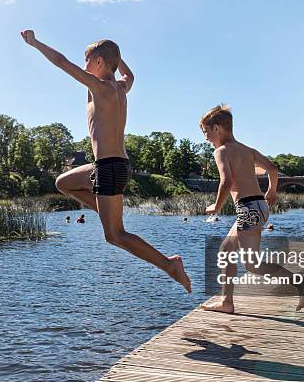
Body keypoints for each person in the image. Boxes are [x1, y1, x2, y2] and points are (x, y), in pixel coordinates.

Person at [21, 31, 191, 293]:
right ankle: (105, 210)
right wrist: (118, 57)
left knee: (115, 235)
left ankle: (169, 265)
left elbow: (61, 62)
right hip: (111, 165)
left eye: (87, 61)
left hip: (110, 167)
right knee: (63, 183)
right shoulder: (121, 88)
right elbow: (130, 76)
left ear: (99, 62)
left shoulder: (100, 88)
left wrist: (35, 43)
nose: (84, 66)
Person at [199, 105, 304, 313]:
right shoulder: (247, 150)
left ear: (217, 129)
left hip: (247, 208)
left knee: (251, 265)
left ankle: (300, 283)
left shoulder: (221, 151)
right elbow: (272, 168)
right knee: (227, 250)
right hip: (259, 205)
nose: (206, 138)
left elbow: (227, 181)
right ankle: (227, 301)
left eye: (206, 132)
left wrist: (216, 206)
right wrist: (271, 192)